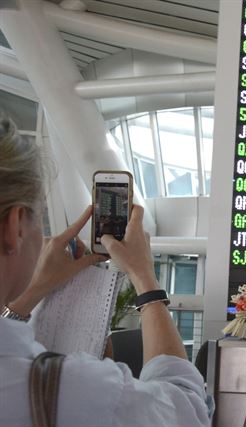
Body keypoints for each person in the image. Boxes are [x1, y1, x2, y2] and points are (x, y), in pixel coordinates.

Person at [0, 117, 209, 426]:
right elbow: (187, 407)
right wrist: (144, 278)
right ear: (16, 227)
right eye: (40, 218)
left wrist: (27, 297)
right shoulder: (69, 391)